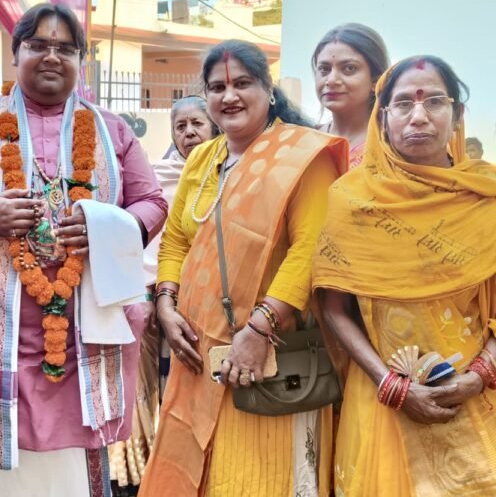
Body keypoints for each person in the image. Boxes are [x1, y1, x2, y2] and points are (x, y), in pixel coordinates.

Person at [0, 2, 168, 496]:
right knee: (0, 471)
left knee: (76, 469)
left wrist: (109, 229)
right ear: (16, 54)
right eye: (38, 45)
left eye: (65, 48)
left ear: (80, 61)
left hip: (84, 336)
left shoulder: (111, 131)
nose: (52, 56)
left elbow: (151, 202)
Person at [140, 40, 348, 497]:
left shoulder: (301, 158)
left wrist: (259, 328)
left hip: (272, 356)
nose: (229, 95)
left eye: (242, 83)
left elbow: (310, 250)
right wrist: (166, 303)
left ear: (268, 90)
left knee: (261, 477)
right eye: (217, 87)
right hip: (201, 354)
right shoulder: (203, 158)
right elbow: (176, 238)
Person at [312, 55, 496, 496]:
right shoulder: (352, 200)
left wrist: (479, 374)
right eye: (402, 104)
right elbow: (334, 309)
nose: (418, 116)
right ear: (382, 118)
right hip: (383, 400)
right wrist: (391, 386)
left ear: (457, 114)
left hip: (476, 395)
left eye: (434, 101)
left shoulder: (485, 198)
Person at [109, 96, 219, 494]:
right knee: (149, 387)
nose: (189, 133)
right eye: (180, 126)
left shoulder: (226, 173)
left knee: (191, 384)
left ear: (214, 127)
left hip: (203, 299)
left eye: (197, 124)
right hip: (149, 295)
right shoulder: (157, 176)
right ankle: (141, 470)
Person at [313, 23, 389, 167]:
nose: (331, 80)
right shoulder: (304, 141)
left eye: (349, 68)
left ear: (376, 80)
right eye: (324, 69)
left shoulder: (392, 146)